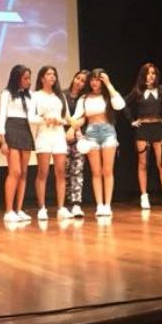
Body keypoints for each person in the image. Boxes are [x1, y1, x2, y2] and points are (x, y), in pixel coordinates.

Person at [126, 62, 162, 211]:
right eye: (148, 73)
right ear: (143, 75)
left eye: (153, 73)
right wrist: (132, 120)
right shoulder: (137, 91)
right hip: (143, 129)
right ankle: (144, 195)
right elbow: (124, 104)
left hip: (158, 127)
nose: (151, 76)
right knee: (143, 164)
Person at [79, 69, 125, 219]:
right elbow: (77, 117)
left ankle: (107, 205)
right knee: (96, 171)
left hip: (108, 131)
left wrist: (109, 84)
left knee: (107, 170)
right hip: (91, 132)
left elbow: (120, 105)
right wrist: (76, 131)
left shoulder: (108, 96)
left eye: (98, 79)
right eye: (92, 79)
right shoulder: (84, 98)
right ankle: (99, 205)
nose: (94, 82)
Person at [30, 66, 71, 224]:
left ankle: (61, 208)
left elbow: (67, 118)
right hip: (44, 135)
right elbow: (31, 117)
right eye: (48, 74)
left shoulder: (60, 96)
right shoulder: (36, 95)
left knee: (60, 172)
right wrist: (44, 119)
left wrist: (59, 120)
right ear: (42, 78)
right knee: (43, 172)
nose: (52, 77)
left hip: (58, 135)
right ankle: (42, 208)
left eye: (54, 74)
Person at [0, 65, 35, 226]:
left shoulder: (30, 96)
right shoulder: (7, 93)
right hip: (11, 128)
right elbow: (2, 115)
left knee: (24, 172)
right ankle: (9, 211)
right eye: (25, 78)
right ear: (17, 78)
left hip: (25, 129)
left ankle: (19, 209)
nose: (28, 81)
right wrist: (2, 139)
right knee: (15, 171)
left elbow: (33, 116)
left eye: (29, 78)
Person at [61, 69, 91, 218]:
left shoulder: (85, 98)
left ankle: (76, 204)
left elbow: (85, 117)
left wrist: (73, 129)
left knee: (77, 170)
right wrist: (68, 130)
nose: (79, 82)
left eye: (83, 81)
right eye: (78, 78)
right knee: (64, 171)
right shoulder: (62, 95)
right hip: (62, 136)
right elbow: (61, 114)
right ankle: (66, 203)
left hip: (79, 136)